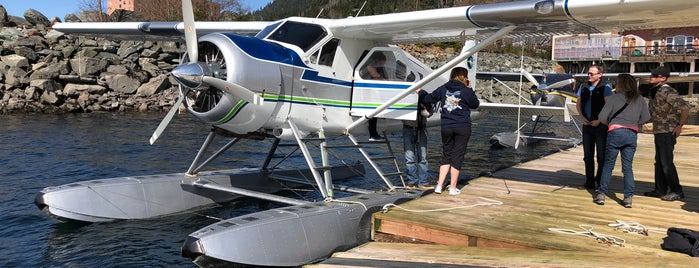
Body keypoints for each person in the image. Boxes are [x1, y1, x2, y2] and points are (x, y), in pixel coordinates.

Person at [590, 74, 650, 207]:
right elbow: (646, 117)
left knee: (608, 165)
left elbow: (602, 116)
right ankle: (628, 198)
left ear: (620, 85)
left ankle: (601, 194)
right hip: (631, 134)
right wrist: (634, 122)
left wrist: (610, 123)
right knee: (627, 167)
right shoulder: (639, 99)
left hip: (615, 132)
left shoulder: (614, 98)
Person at [418, 67, 480, 195]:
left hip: (446, 126)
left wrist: (421, 92)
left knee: (446, 155)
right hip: (462, 126)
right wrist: (470, 89)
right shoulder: (465, 90)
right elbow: (475, 104)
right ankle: (452, 187)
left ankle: (439, 186)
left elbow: (428, 99)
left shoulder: (444, 88)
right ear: (464, 77)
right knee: (457, 156)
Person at [644, 66, 690, 201]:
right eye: (651, 75)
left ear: (663, 78)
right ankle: (660, 189)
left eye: (654, 75)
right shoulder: (655, 90)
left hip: (667, 131)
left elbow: (685, 108)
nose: (651, 77)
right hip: (658, 130)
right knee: (658, 162)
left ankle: (677, 190)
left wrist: (680, 126)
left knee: (666, 162)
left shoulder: (668, 91)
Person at [576, 65, 613, 190]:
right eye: (588, 73)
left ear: (599, 75)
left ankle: (600, 180)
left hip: (600, 126)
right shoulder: (583, 86)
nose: (589, 76)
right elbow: (578, 103)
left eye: (592, 74)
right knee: (588, 155)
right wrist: (581, 117)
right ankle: (589, 181)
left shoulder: (605, 87)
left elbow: (609, 107)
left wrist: (600, 120)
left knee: (601, 155)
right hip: (587, 124)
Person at [403, 94, 430, 189]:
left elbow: (429, 109)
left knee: (422, 157)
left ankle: (423, 182)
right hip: (408, 127)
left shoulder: (424, 94)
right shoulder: (405, 94)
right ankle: (412, 182)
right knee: (409, 157)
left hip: (421, 128)